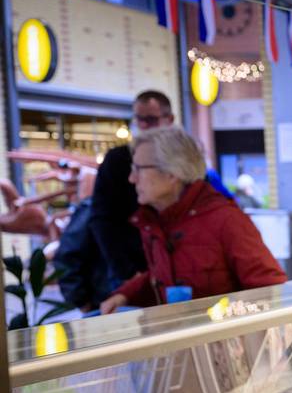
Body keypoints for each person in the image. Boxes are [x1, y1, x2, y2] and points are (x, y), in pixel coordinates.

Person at [98, 127, 285, 313]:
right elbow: (161, 276)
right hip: (182, 339)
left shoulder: (226, 220)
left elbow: (270, 290)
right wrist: (125, 295)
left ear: (172, 173)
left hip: (223, 340)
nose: (132, 178)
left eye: (139, 169)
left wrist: (220, 319)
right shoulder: (154, 222)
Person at [90, 91, 236, 301]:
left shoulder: (218, 213)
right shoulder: (118, 162)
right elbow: (103, 220)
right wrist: (127, 277)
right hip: (140, 267)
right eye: (139, 119)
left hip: (183, 271)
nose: (133, 178)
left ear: (172, 174)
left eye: (150, 119)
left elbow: (264, 283)